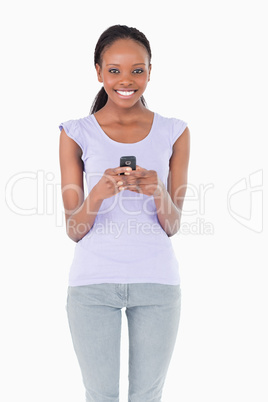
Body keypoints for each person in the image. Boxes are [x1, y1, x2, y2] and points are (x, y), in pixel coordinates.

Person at [59, 24, 190, 402]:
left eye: (137, 69)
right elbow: (74, 229)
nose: (126, 81)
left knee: (147, 396)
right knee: (100, 395)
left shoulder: (174, 132)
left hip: (157, 284)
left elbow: (173, 224)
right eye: (114, 70)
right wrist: (98, 193)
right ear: (98, 72)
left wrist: (157, 192)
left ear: (150, 71)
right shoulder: (75, 132)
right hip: (92, 286)